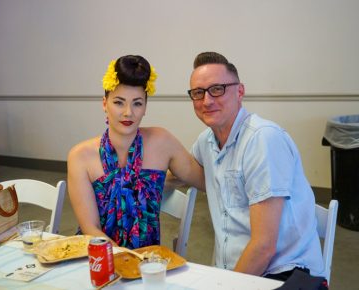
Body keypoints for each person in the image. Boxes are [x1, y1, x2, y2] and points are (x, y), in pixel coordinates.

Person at [187, 52, 326, 283]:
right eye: (198, 93)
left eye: (217, 89)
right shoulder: (207, 141)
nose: (207, 100)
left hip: (285, 275)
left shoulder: (263, 139)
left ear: (240, 91)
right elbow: (178, 173)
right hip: (235, 272)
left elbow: (264, 247)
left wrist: (226, 286)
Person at [67, 55, 204, 250]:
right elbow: (91, 228)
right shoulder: (80, 156)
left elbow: (204, 180)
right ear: (105, 104)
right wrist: (124, 261)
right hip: (99, 259)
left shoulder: (162, 141)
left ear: (145, 107)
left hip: (147, 264)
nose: (128, 112)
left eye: (137, 103)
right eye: (119, 102)